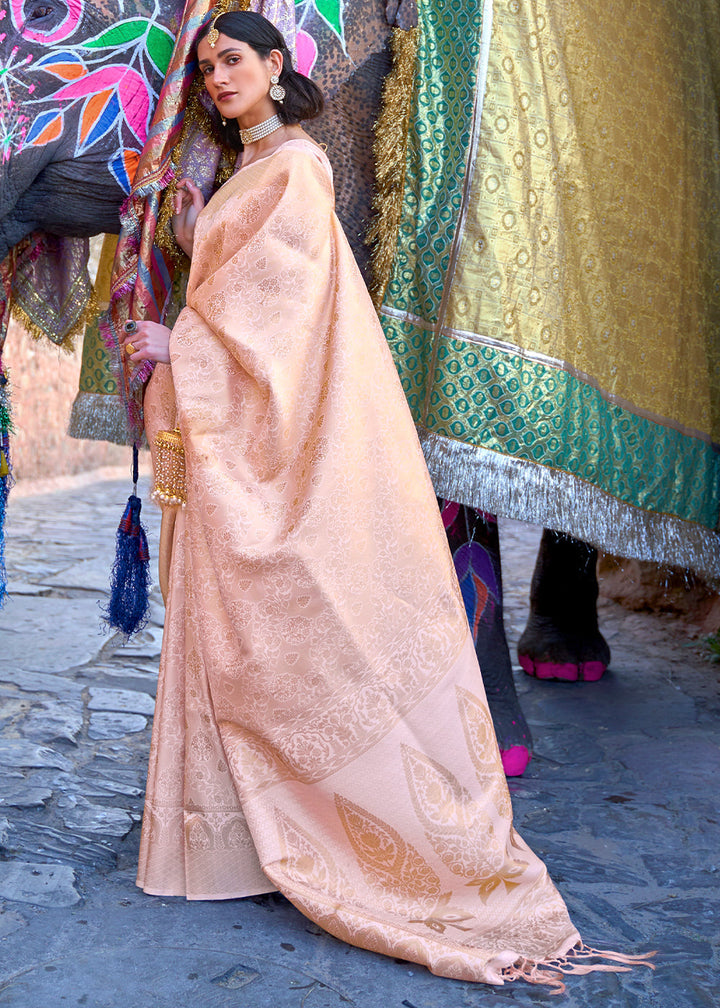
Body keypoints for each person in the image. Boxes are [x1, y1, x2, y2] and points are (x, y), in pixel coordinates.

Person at [121, 9, 651, 990]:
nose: (218, 78)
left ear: (277, 67)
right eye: (207, 68)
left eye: (233, 60)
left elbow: (276, 327)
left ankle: (338, 828)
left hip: (267, 435)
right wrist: (193, 242)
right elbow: (238, 293)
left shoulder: (297, 170)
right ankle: (228, 838)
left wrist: (177, 348)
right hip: (233, 430)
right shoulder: (249, 176)